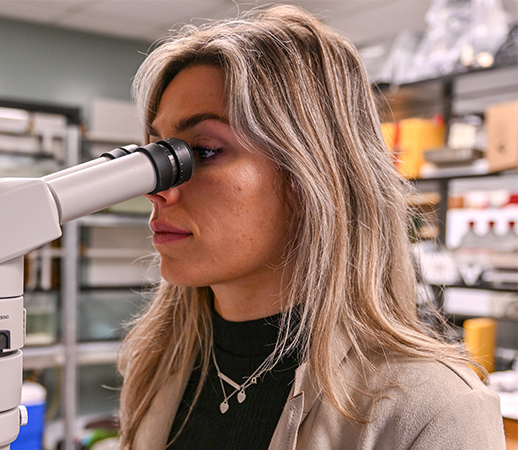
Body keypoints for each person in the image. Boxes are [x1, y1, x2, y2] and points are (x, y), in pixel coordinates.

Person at [117, 5, 505, 450]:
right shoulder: (153, 366)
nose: (158, 189)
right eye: (158, 154)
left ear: (310, 177)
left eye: (201, 152)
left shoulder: (435, 411)